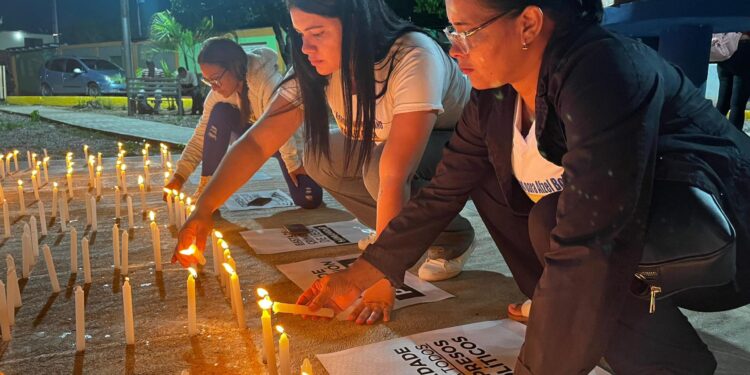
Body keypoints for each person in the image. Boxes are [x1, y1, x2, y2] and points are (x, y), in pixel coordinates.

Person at [295, 0, 750, 373]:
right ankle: (626, 346)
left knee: (557, 221)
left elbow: (594, 238)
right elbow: (442, 192)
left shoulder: (604, 70)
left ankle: (664, 366)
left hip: (726, 240)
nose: (454, 50)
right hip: (645, 244)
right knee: (497, 188)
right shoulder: (496, 95)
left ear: (529, 22)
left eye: (465, 30)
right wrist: (362, 273)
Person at [173, 0, 477, 283]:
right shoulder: (316, 67)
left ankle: (451, 238)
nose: (306, 47)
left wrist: (379, 273)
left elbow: (395, 174)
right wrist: (203, 209)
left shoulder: (412, 56)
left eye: (317, 33)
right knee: (320, 159)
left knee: (378, 171)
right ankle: (400, 237)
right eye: (301, 33)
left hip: (461, 144)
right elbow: (258, 142)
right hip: (387, 145)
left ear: (357, 24)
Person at [165, 38, 323, 209]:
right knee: (220, 113)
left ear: (234, 68)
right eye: (208, 81)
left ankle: (315, 170)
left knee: (309, 199)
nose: (214, 87)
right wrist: (179, 176)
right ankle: (207, 188)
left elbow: (283, 125)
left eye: (216, 79)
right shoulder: (218, 94)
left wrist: (294, 164)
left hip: (285, 140)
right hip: (254, 140)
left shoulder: (267, 82)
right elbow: (202, 136)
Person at [716, 32, 750, 131]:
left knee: (722, 103)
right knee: (737, 105)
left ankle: (711, 136)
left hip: (726, 51)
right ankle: (733, 140)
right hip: (745, 49)